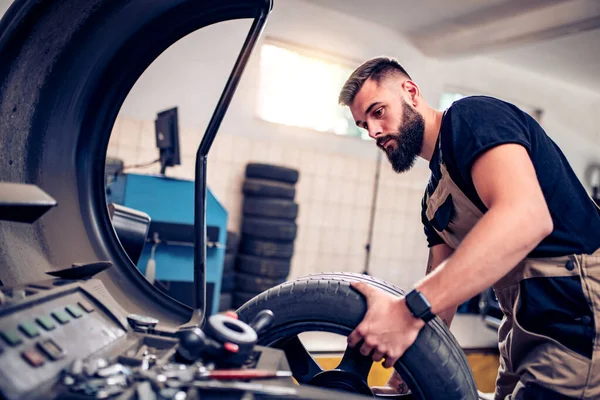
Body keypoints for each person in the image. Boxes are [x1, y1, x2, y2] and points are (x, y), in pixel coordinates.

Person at [338, 56, 600, 399]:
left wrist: (406, 311)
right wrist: (406, 375)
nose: (373, 131)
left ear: (411, 93)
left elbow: (527, 216)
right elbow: (440, 300)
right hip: (522, 322)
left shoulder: (472, 117)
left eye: (378, 111)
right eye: (362, 125)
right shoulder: (433, 200)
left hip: (576, 304)